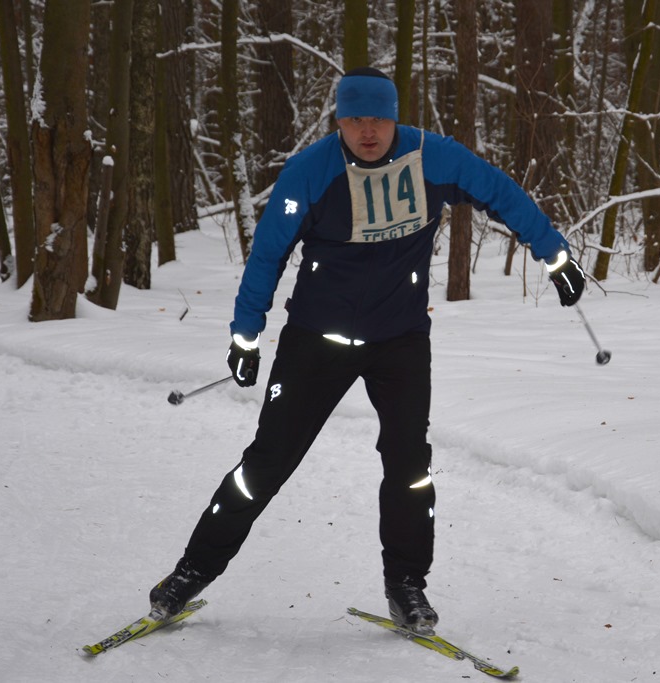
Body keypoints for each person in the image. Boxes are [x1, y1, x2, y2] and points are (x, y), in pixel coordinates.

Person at [150, 67, 586, 635]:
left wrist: (554, 254)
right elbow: (268, 254)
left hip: (400, 339)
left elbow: (499, 192)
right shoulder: (310, 172)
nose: (368, 131)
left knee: (409, 468)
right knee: (266, 465)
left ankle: (406, 585)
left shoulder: (433, 157)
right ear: (339, 120)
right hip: (317, 341)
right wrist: (245, 335)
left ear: (394, 117)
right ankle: (191, 571)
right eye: (355, 119)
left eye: (379, 118)